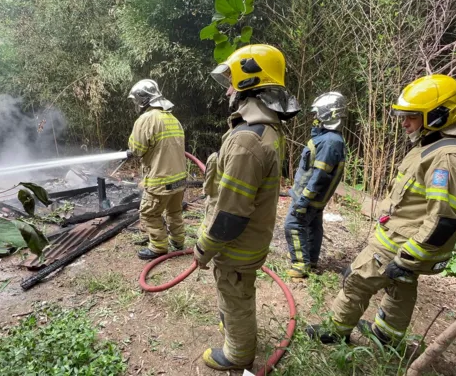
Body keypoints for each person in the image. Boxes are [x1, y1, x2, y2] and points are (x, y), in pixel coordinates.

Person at [305, 74, 456, 346]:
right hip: (407, 236)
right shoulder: (435, 144)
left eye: (412, 116)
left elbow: (443, 218)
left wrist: (408, 258)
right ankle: (386, 336)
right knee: (401, 286)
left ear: (437, 115)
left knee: (356, 280)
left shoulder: (449, 158)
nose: (405, 122)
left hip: (405, 242)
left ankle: (335, 331)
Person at [194, 44, 299, 371]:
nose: (228, 89)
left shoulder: (246, 140)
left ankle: (237, 353)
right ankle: (236, 330)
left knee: (235, 293)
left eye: (233, 81)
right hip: (252, 238)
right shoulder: (266, 129)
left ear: (250, 83)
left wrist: (203, 248)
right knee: (236, 290)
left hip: (237, 245)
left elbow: (230, 214)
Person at [284, 92, 348, 278]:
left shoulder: (329, 142)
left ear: (329, 115)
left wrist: (303, 201)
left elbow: (320, 176)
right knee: (312, 227)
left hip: (310, 198)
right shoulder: (329, 139)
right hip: (313, 198)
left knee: (293, 224)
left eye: (318, 114)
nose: (315, 118)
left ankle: (300, 265)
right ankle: (310, 260)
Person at [126, 79, 187, 260]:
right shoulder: (173, 118)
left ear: (143, 99)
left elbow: (137, 149)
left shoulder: (146, 119)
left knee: (149, 213)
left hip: (160, 178)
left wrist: (131, 149)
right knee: (174, 212)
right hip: (179, 178)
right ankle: (178, 242)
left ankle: (159, 247)